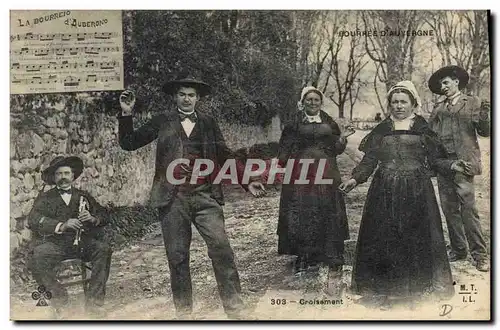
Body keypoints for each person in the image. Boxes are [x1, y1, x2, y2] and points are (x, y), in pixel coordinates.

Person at [118, 74, 265, 319]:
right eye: (182, 94)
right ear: (175, 97)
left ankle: (236, 311)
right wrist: (126, 113)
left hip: (205, 195)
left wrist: (247, 180)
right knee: (177, 256)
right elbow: (129, 143)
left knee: (221, 249)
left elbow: (224, 155)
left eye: (191, 95)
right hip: (173, 199)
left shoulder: (208, 123)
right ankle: (184, 314)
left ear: (198, 98)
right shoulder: (162, 121)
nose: (187, 99)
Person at [340, 81, 468, 308]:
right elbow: (370, 160)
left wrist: (452, 166)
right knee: (385, 236)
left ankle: (416, 288)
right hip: (384, 189)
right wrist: (355, 178)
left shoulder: (423, 128)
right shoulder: (382, 129)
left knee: (415, 236)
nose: (398, 106)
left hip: (417, 190)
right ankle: (385, 288)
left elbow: (436, 159)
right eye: (394, 102)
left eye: (403, 102)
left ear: (413, 104)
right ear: (389, 104)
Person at [274, 86, 355, 296]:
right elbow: (284, 149)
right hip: (301, 174)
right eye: (308, 100)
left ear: (320, 102)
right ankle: (304, 255)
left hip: (326, 172)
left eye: (316, 100)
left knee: (327, 210)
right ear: (303, 102)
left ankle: (331, 254)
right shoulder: (293, 124)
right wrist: (284, 162)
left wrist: (343, 138)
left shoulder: (329, 122)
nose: (312, 103)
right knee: (302, 212)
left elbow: (336, 149)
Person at [27, 156, 112, 317]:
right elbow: (33, 220)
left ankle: (94, 303)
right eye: (59, 174)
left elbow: (104, 214)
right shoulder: (45, 198)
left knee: (103, 250)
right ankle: (60, 299)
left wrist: (93, 219)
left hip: (82, 244)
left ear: (73, 176)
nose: (63, 177)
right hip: (56, 244)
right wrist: (61, 225)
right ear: (54, 177)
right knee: (36, 256)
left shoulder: (83, 196)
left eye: (67, 173)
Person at [427, 65, 490, 272]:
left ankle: (480, 255)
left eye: (446, 82)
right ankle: (459, 249)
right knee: (449, 209)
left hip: (464, 165)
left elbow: (484, 132)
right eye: (440, 85)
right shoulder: (438, 109)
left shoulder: (473, 103)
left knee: (468, 210)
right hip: (444, 165)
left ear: (456, 81)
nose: (443, 87)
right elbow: (430, 136)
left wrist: (485, 116)